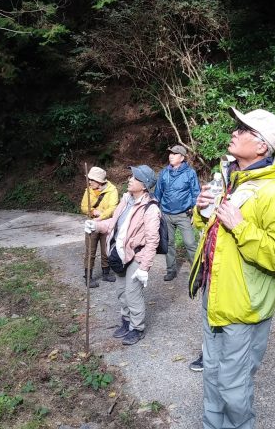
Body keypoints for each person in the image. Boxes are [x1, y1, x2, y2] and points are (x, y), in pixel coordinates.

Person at [189, 107, 275, 429]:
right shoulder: (231, 181)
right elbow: (212, 232)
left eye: (243, 129)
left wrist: (241, 227)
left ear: (262, 146)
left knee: (233, 385)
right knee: (212, 371)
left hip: (244, 304)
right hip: (215, 293)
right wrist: (200, 212)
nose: (234, 132)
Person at [85, 165, 160, 346]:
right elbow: (114, 223)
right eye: (131, 176)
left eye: (134, 178)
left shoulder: (150, 209)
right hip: (119, 253)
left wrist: (144, 267)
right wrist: (97, 226)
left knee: (133, 294)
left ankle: (137, 328)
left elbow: (152, 240)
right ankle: (126, 322)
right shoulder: (126, 200)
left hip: (136, 255)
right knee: (121, 291)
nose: (129, 179)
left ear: (144, 185)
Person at [154, 144, 201, 281]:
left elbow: (195, 193)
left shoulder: (190, 173)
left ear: (182, 157)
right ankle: (171, 270)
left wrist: (196, 213)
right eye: (170, 153)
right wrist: (156, 210)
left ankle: (197, 273)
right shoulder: (164, 173)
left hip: (184, 215)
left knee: (190, 243)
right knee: (168, 243)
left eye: (174, 154)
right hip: (166, 214)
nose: (171, 156)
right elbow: (158, 193)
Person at [81, 166, 119, 288]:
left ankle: (106, 274)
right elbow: (83, 207)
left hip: (107, 223)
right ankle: (88, 278)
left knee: (105, 250)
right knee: (90, 251)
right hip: (92, 224)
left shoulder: (112, 190)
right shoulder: (89, 190)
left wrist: (101, 216)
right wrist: (92, 212)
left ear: (100, 181)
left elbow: (113, 207)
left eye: (92, 180)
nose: (90, 182)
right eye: (89, 179)